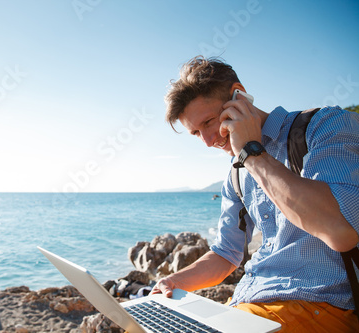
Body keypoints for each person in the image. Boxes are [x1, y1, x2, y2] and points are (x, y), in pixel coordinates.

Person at [151, 55, 359, 332]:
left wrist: (252, 152)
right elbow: (226, 253)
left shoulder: (324, 126)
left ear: (239, 95)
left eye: (210, 121)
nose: (209, 141)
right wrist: (174, 281)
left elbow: (341, 232)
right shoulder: (236, 173)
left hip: (321, 306)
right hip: (247, 308)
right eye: (196, 133)